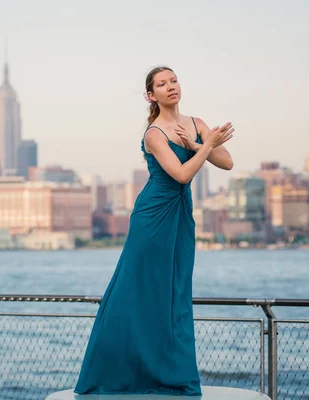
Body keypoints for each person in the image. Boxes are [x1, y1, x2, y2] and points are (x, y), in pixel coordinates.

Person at [74, 66, 234, 396]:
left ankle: (170, 376)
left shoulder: (196, 123)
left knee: (174, 293)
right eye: (162, 84)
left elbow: (227, 162)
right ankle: (112, 375)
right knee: (134, 292)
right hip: (152, 218)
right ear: (152, 95)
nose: (170, 86)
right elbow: (181, 175)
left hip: (180, 216)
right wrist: (202, 146)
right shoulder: (154, 133)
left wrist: (199, 141)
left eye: (173, 80)